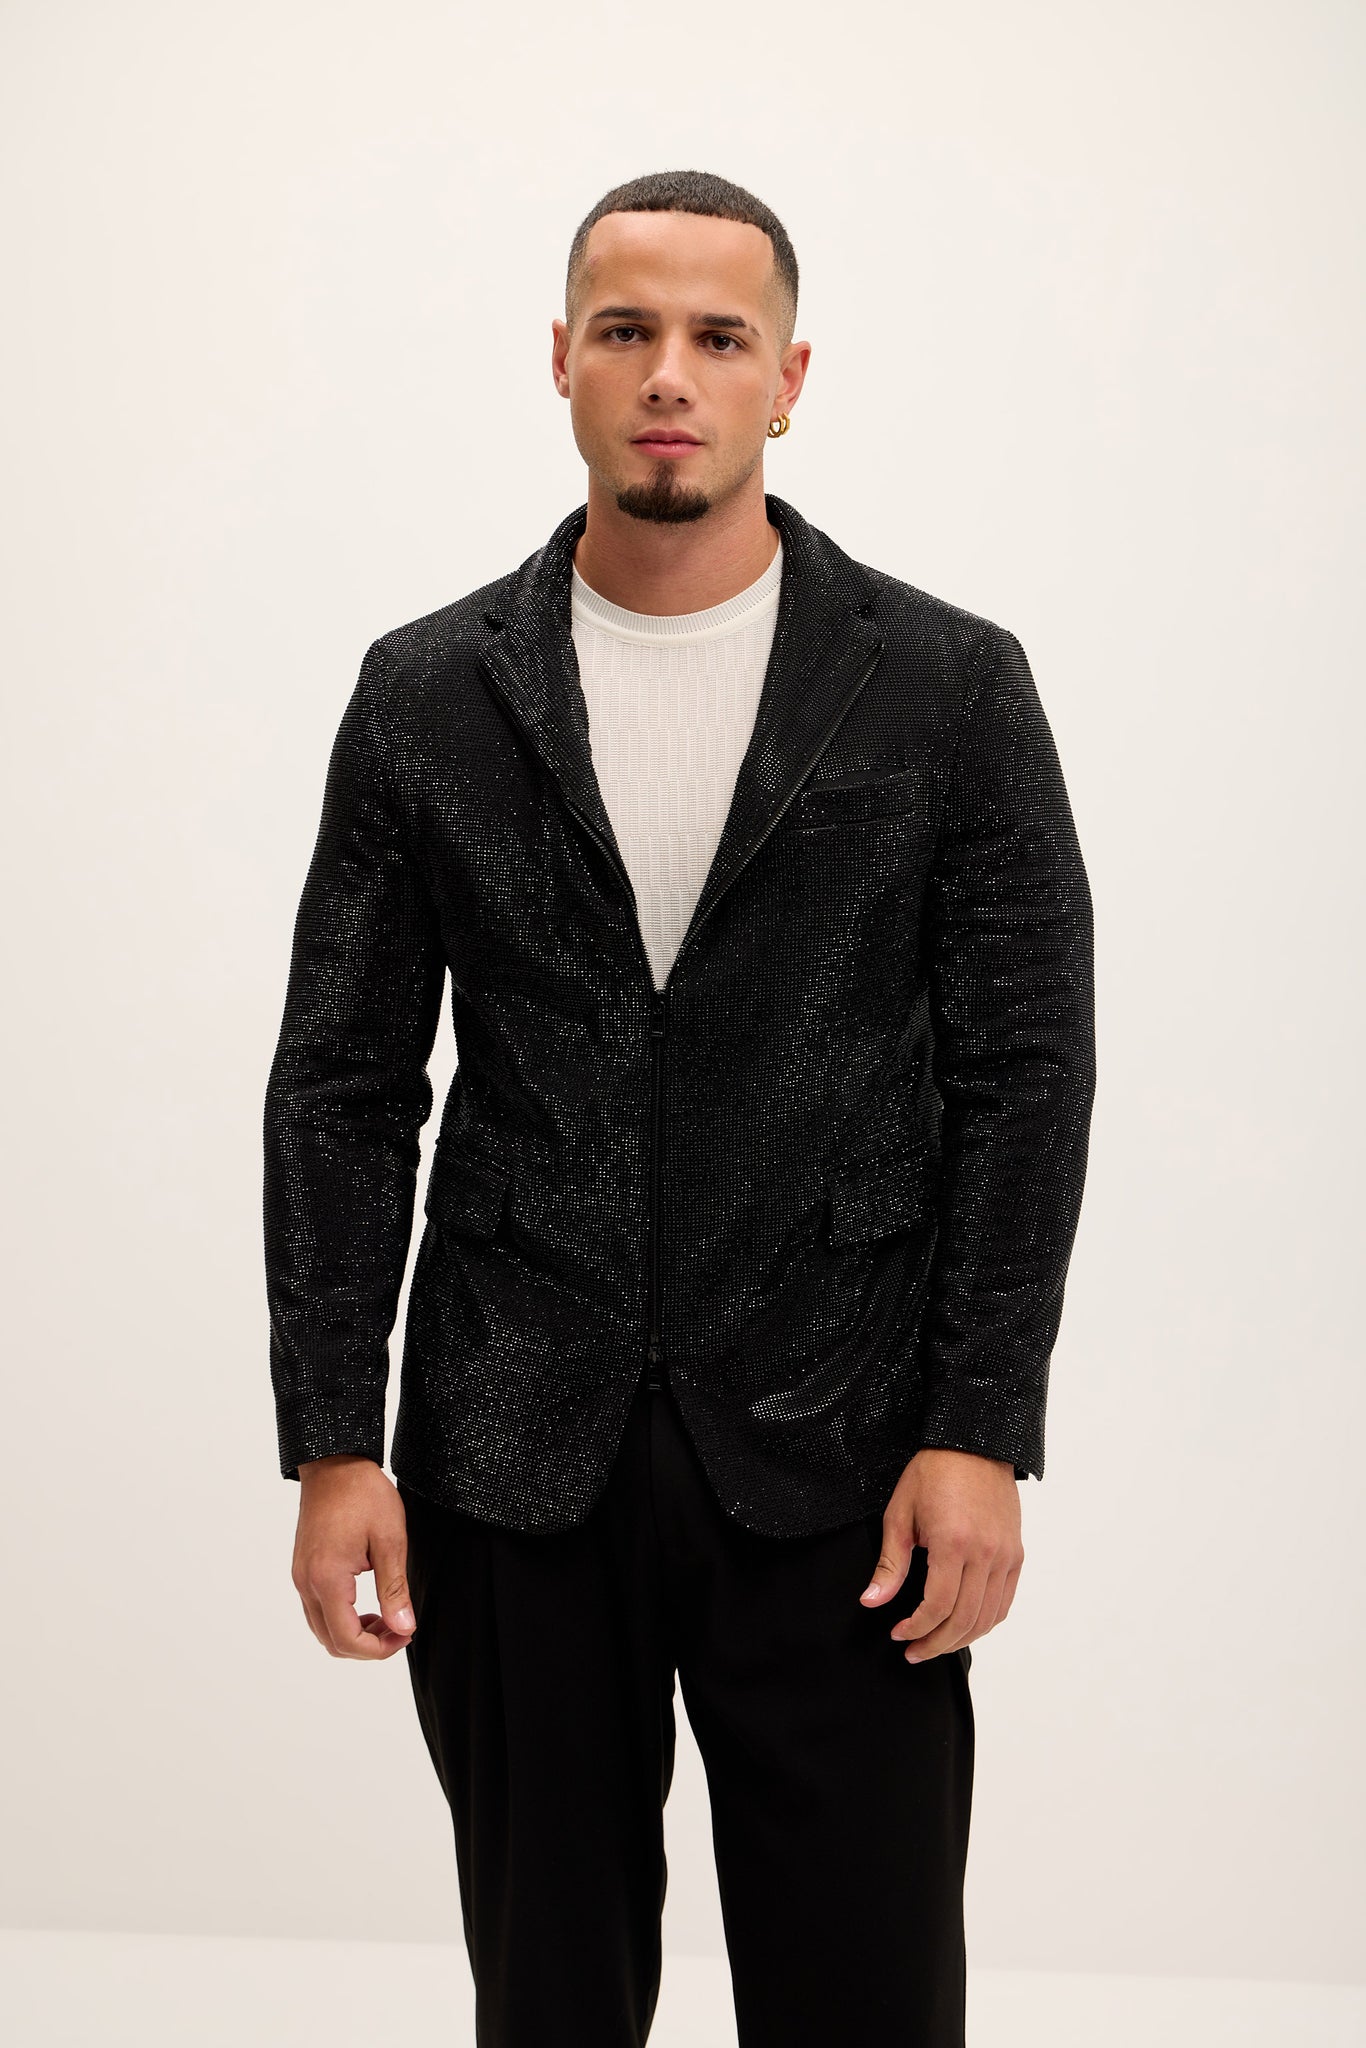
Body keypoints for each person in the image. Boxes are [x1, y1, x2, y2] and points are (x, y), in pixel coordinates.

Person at [263, 167, 1097, 2048]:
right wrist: (331, 1442)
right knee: (549, 1996)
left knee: (867, 1991)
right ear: (560, 359)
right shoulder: (425, 693)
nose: (669, 374)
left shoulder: (945, 687)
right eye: (627, 330)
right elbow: (341, 1084)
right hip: (509, 1444)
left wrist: (979, 1426)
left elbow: (1024, 1077)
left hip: (845, 1449)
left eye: (719, 338)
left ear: (786, 380)